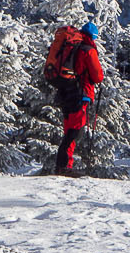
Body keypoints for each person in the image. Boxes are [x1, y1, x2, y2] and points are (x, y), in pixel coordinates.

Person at [43, 22, 106, 175]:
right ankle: (63, 166)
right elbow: (98, 76)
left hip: (64, 91)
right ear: (93, 37)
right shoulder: (88, 50)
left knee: (69, 128)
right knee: (75, 129)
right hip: (80, 93)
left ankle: (64, 165)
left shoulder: (71, 46)